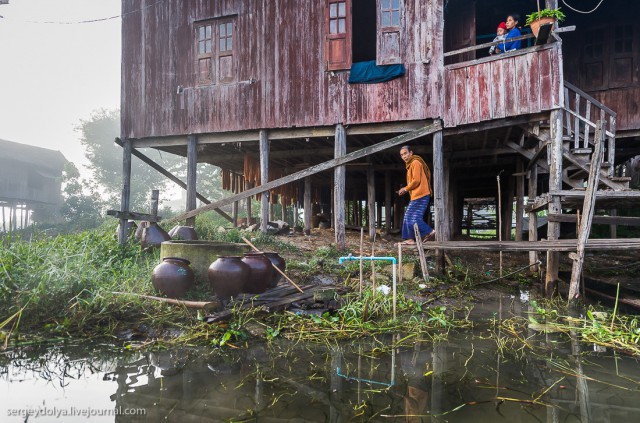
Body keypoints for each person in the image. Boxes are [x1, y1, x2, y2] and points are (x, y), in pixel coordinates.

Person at [397, 146, 435, 245]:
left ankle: (430, 231)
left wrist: (405, 188)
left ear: (411, 153)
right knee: (407, 217)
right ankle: (410, 239)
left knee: (414, 218)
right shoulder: (410, 165)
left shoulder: (415, 163)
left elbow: (416, 181)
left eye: (405, 153)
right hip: (416, 195)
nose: (404, 156)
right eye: (402, 155)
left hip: (421, 194)